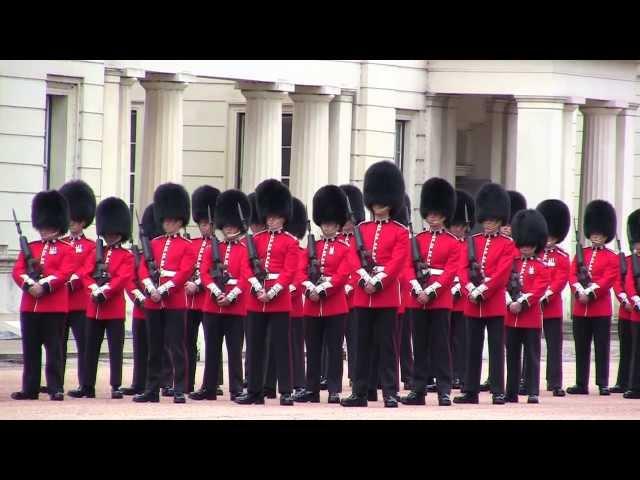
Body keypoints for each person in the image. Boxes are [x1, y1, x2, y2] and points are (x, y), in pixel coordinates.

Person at [340, 161, 409, 408]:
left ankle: (390, 392)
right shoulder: (362, 229)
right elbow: (351, 256)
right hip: (362, 295)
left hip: (386, 295)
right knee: (361, 346)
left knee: (388, 347)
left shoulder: (400, 231)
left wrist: (377, 281)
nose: (378, 206)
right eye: (375, 201)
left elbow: (397, 261)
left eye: (382, 201)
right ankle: (360, 392)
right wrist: (362, 278)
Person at [234, 179, 299, 406]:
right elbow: (245, 267)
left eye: (276, 217)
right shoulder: (256, 240)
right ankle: (254, 391)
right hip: (255, 298)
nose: (271, 220)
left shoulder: (291, 242)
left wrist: (272, 292)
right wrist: (257, 287)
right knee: (254, 347)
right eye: (269, 217)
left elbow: (289, 271)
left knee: (282, 347)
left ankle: (286, 391)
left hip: (278, 299)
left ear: (283, 217)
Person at [454, 183, 517, 405]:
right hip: (472, 302)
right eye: (487, 220)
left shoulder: (507, 244)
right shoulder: (473, 241)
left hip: (494, 303)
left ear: (500, 221)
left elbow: (502, 272)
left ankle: (498, 390)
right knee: (471, 348)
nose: (489, 224)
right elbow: (462, 268)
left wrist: (483, 288)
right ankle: (470, 390)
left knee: (496, 348)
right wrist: (469, 287)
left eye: (494, 221)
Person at [133, 183, 196, 404]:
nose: (169, 223)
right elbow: (142, 268)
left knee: (177, 347)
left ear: (180, 222)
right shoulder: (154, 243)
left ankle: (179, 388)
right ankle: (152, 388)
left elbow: (184, 271)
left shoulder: (188, 246)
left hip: (175, 302)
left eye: (173, 220)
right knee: (154, 347)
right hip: (153, 301)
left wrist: (163, 289)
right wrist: (151, 289)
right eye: (166, 220)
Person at [11, 190, 74, 401]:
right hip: (30, 307)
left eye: (49, 227)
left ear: (57, 226)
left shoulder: (66, 249)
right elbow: (17, 270)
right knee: (30, 350)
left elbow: (64, 272)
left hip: (54, 307)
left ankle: (55, 387)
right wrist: (30, 285)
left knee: (54, 349)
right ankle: (30, 387)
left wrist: (44, 286)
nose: (45, 231)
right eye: (43, 226)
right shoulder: (31, 247)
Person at [400, 178, 458, 407]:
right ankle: (418, 389)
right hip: (417, 299)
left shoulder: (453, 242)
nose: (432, 216)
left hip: (440, 299)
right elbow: (406, 267)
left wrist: (432, 291)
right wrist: (416, 288)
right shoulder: (417, 240)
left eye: (437, 212)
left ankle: (444, 389)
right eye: (430, 212)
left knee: (441, 345)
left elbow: (451, 270)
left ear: (444, 214)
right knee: (420, 345)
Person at [191, 189, 251, 401]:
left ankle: (236, 388)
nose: (228, 229)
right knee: (212, 349)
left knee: (235, 350)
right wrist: (217, 292)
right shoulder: (214, 248)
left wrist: (231, 295)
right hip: (212, 305)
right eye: (225, 226)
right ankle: (209, 387)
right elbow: (205, 274)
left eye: (232, 226)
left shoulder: (244, 250)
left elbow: (246, 277)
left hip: (235, 306)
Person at [294, 185, 351, 404]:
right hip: (311, 304)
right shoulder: (312, 246)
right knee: (314, 349)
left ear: (337, 225)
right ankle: (312, 388)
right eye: (325, 223)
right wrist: (309, 288)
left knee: (335, 350)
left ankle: (335, 388)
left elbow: (343, 274)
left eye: (332, 224)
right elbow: (300, 271)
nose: (328, 227)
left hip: (334, 304)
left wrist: (323, 288)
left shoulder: (344, 247)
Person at [80, 197, 134, 399]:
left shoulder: (126, 256)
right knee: (90, 349)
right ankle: (87, 385)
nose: (110, 236)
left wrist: (105, 290)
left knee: (115, 350)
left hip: (114, 309)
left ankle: (116, 385)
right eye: (108, 232)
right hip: (94, 307)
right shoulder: (96, 252)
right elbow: (85, 273)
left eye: (114, 232)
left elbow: (122, 278)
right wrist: (94, 289)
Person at [568, 200, 619, 396]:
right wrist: (579, 290)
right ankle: (581, 383)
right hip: (581, 308)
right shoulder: (582, 254)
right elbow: (572, 275)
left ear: (606, 236)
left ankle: (602, 383)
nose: (596, 237)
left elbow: (608, 278)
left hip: (600, 309)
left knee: (601, 348)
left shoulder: (612, 257)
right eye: (594, 234)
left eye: (600, 235)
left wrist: (591, 292)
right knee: (581, 347)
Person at [504, 209, 550, 404]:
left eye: (529, 245)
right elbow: (504, 284)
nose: (525, 248)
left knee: (531, 357)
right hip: (510, 317)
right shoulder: (511, 263)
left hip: (530, 318)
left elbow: (539, 289)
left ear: (536, 245)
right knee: (512, 356)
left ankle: (532, 391)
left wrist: (521, 303)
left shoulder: (541, 266)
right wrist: (509, 302)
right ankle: (511, 391)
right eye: (522, 245)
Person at [58, 180, 96, 398]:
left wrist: (70, 279)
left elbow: (86, 269)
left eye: (77, 219)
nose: (73, 222)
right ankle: (56, 383)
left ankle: (86, 384)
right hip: (61, 302)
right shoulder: (61, 243)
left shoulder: (91, 246)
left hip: (81, 301)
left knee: (85, 347)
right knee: (58, 346)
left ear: (84, 222)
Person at [184, 185, 220, 394]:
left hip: (208, 299)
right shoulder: (192, 243)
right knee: (187, 342)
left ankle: (211, 384)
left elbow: (214, 273)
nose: (205, 227)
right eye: (202, 223)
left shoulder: (220, 245)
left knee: (211, 344)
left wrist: (197, 284)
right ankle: (186, 383)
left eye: (208, 223)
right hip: (189, 300)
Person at [536, 199, 571, 397]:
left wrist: (546, 294)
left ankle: (555, 382)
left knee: (554, 346)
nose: (548, 239)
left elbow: (560, 280)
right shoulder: (535, 255)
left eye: (552, 236)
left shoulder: (561, 256)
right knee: (532, 345)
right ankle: (527, 378)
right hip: (533, 306)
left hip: (552, 307)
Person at [448, 189, 475, 390]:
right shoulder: (448, 243)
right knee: (444, 340)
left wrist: (458, 286)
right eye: (456, 225)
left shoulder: (469, 245)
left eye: (462, 225)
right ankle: (446, 373)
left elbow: (467, 269)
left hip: (463, 299)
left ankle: (461, 374)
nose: (459, 229)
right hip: (444, 296)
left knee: (462, 341)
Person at [339, 184, 365, 387]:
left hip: (356, 295)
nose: (347, 224)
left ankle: (356, 374)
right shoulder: (335, 241)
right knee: (333, 341)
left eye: (350, 220)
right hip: (336, 296)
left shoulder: (361, 239)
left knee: (356, 339)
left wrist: (351, 284)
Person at [623, 209, 640, 399]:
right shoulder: (632, 261)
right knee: (636, 351)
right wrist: (635, 299)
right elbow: (628, 282)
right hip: (637, 312)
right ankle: (635, 385)